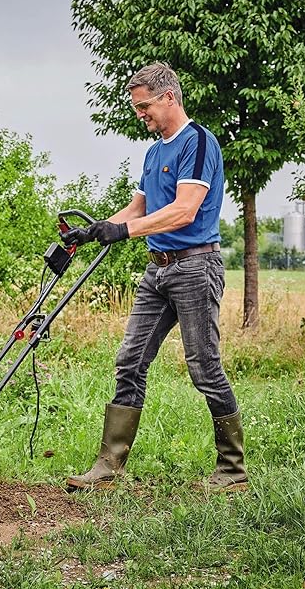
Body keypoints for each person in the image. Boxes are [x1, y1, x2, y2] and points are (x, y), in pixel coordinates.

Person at [61, 62, 247, 491]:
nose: (140, 114)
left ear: (169, 97)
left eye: (145, 105)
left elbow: (184, 210)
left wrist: (123, 231)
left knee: (204, 366)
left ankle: (233, 470)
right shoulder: (153, 151)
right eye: (136, 107)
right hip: (158, 271)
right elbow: (137, 211)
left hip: (196, 267)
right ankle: (108, 467)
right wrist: (92, 231)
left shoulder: (197, 142)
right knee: (129, 360)